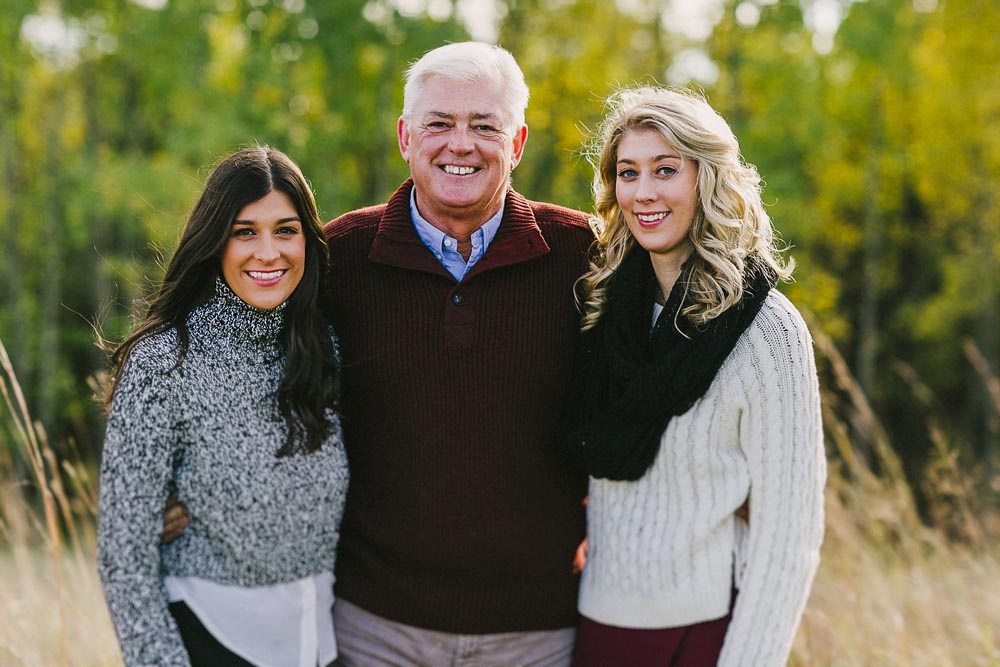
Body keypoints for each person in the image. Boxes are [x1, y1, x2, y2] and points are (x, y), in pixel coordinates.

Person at [321, 42, 593, 665]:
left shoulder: (587, 256)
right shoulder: (339, 257)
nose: (460, 144)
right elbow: (261, 378)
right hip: (373, 627)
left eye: (484, 126)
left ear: (518, 142)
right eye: (439, 124)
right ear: (405, 137)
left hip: (537, 633)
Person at [565, 87, 825, 666]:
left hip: (704, 632)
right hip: (597, 625)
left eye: (666, 169)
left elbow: (789, 535)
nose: (644, 192)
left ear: (706, 178)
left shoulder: (767, 332)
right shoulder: (602, 309)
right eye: (628, 173)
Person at [98, 146, 349, 667]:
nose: (268, 252)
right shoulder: (164, 361)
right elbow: (124, 556)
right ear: (215, 242)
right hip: (209, 639)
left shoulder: (326, 348)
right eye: (244, 232)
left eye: (285, 230)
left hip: (321, 645)